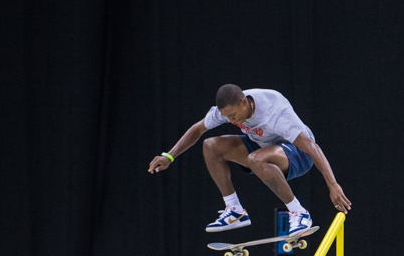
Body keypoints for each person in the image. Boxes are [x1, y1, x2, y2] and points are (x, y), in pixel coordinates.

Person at [148, 84, 351, 234]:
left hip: (299, 153)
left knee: (256, 159)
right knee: (211, 146)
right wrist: (170, 156)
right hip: (263, 147)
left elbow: (312, 147)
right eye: (227, 117)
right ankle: (234, 210)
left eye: (234, 115)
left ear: (244, 102)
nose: (231, 120)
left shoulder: (275, 111)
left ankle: (299, 213)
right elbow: (197, 129)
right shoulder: (228, 109)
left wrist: (332, 185)